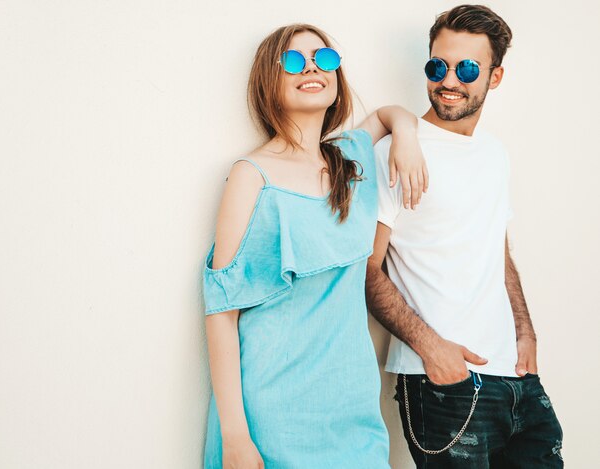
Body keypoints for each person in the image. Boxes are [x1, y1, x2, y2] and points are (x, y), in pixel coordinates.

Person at [202, 24, 427, 468]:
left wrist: (406, 134)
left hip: (353, 410)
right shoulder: (252, 175)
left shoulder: (350, 160)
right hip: (274, 414)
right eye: (293, 60)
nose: (311, 68)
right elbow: (220, 312)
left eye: (324, 58)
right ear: (270, 79)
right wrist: (235, 437)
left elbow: (385, 115)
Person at [366, 5, 563, 468]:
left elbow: (497, 249)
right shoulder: (394, 153)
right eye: (438, 66)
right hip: (444, 385)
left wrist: (525, 332)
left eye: (467, 68)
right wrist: (433, 350)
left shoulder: (495, 153)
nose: (448, 80)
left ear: (495, 77)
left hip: (515, 377)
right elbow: (364, 267)